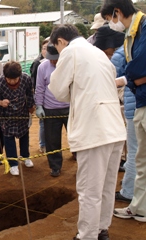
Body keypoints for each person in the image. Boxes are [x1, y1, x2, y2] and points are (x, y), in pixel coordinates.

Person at [48, 24, 126, 240]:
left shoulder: (71, 52)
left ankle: (87, 235)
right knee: (107, 186)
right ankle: (101, 229)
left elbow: (57, 90)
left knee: (89, 190)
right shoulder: (99, 54)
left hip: (94, 130)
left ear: (61, 41)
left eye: (57, 47)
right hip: (115, 128)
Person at [100, 0, 146, 223]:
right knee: (141, 159)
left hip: (142, 100)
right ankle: (139, 207)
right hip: (139, 100)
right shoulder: (131, 33)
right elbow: (133, 70)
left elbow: (139, 67)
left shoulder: (144, 27)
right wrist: (132, 77)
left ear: (117, 12)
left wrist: (131, 77)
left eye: (110, 19)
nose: (111, 25)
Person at [0, 61, 35, 176]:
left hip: (22, 113)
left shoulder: (26, 79)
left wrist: (30, 106)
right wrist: (0, 102)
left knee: (24, 135)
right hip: (6, 116)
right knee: (8, 139)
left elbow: (29, 93)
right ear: (5, 76)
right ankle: (13, 163)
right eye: (9, 79)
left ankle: (25, 156)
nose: (12, 81)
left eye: (15, 79)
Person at [34, 43, 69, 177]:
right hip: (50, 109)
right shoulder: (43, 66)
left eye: (56, 57)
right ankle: (55, 166)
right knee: (52, 140)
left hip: (68, 107)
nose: (53, 60)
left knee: (75, 136)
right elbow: (40, 88)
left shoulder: (68, 65)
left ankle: (79, 158)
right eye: (51, 58)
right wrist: (39, 106)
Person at [111, 46, 137, 203]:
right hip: (136, 106)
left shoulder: (126, 50)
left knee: (134, 152)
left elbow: (111, 78)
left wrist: (124, 80)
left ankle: (128, 191)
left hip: (135, 108)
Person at [30, 37, 50, 154]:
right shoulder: (38, 63)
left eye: (47, 48)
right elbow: (35, 82)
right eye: (43, 48)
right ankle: (43, 144)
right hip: (41, 96)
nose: (45, 51)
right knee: (43, 123)